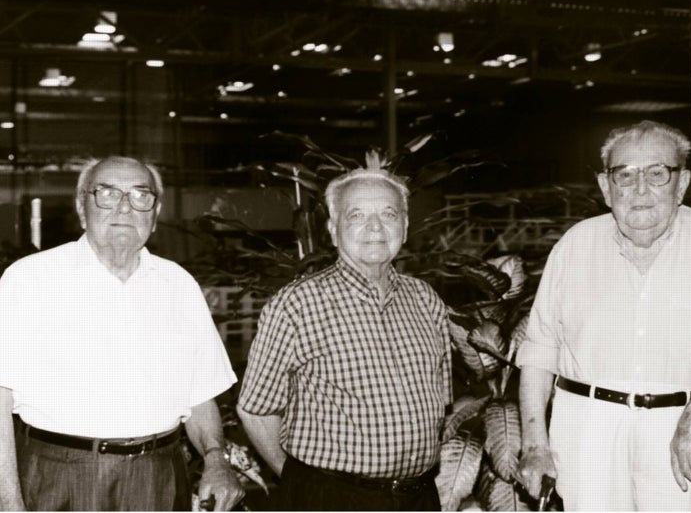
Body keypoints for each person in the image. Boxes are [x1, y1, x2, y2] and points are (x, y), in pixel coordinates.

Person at [516, 120, 691, 510]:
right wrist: (535, 445)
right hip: (588, 441)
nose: (641, 190)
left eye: (658, 173)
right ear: (607, 188)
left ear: (683, 183)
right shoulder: (575, 246)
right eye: (625, 175)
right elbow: (539, 351)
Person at [0, 156, 244, 511]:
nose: (125, 207)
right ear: (82, 207)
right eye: (108, 194)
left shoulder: (178, 284)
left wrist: (216, 458)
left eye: (140, 195)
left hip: (159, 476)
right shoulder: (30, 280)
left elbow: (200, 393)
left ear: (155, 214)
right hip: (60, 476)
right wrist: (8, 502)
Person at [236, 168, 452, 511]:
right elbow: (255, 410)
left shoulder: (425, 299)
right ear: (334, 230)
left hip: (418, 497)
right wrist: (300, 481)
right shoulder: (297, 304)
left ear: (406, 226)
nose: (376, 227)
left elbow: (440, 401)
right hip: (330, 498)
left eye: (388, 214)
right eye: (357, 215)